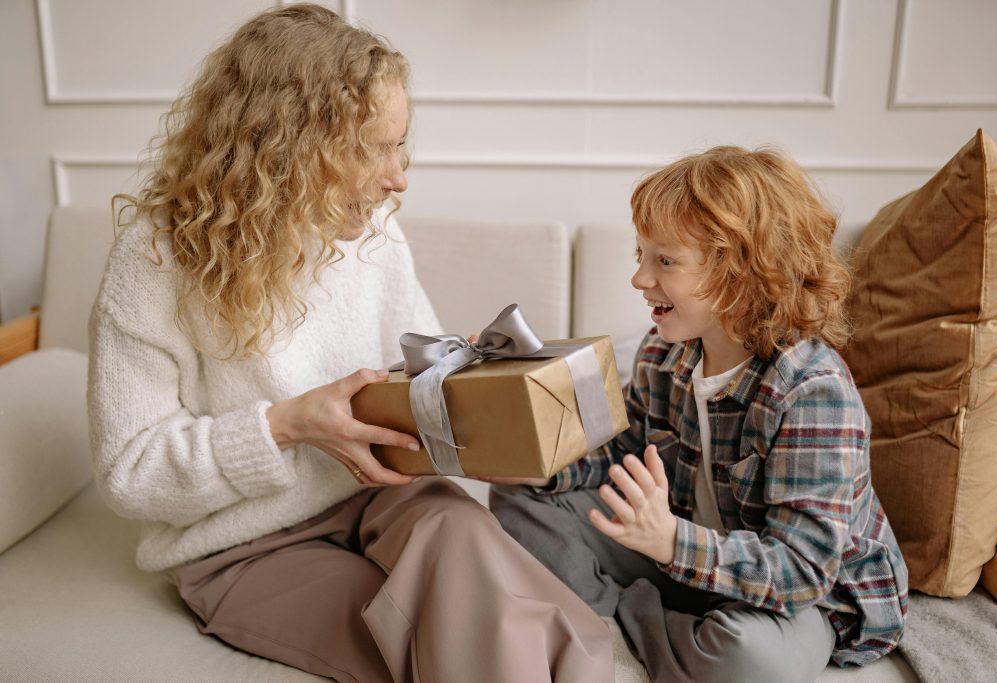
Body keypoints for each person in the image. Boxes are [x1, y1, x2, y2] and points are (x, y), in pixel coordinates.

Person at [87, 5, 612, 682]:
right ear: (285, 146)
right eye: (373, 147)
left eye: (399, 145)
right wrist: (284, 426)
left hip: (382, 495)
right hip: (242, 546)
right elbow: (128, 472)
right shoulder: (154, 263)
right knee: (450, 635)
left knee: (464, 541)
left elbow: (408, 388)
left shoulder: (374, 237)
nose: (398, 177)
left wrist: (470, 392)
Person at [488, 146, 909, 683]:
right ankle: (654, 619)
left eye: (665, 261)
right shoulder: (663, 353)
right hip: (691, 550)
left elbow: (803, 570)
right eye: (641, 256)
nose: (640, 279)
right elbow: (623, 455)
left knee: (746, 658)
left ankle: (626, 615)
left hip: (802, 597)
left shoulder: (812, 392)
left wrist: (668, 542)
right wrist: (544, 467)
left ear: (744, 272)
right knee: (521, 496)